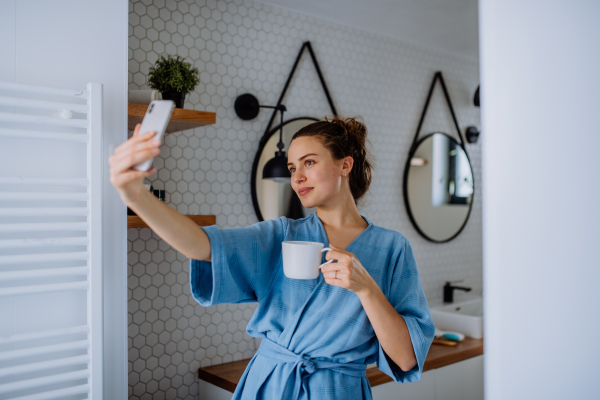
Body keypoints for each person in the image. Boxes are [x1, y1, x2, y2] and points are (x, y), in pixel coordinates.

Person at [109, 115, 435, 400]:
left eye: (309, 162)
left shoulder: (393, 248)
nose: (297, 178)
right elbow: (202, 244)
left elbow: (406, 359)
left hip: (337, 391)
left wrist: (366, 289)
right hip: (270, 384)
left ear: (344, 165)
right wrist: (135, 195)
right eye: (293, 167)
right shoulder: (281, 235)